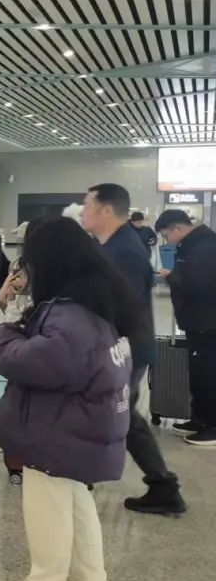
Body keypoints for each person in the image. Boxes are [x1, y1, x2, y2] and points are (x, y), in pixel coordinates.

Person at [0, 216, 132, 581]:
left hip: (60, 427)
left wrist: (2, 327)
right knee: (74, 497)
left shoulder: (69, 315)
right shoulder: (96, 303)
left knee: (46, 502)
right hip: (85, 421)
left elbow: (28, 362)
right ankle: (90, 579)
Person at [81, 184, 185, 515]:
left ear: (106, 210)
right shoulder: (115, 244)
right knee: (121, 415)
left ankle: (162, 486)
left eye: (87, 205)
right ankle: (161, 485)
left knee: (118, 414)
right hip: (125, 347)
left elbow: (122, 308)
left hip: (124, 348)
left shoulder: (123, 251)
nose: (83, 211)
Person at [154, 209, 216, 445]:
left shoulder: (204, 247)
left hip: (207, 323)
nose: (166, 240)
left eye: (166, 235)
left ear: (177, 228)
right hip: (198, 322)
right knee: (199, 373)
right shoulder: (193, 245)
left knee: (209, 374)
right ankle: (200, 419)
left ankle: (212, 426)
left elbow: (197, 284)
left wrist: (171, 277)